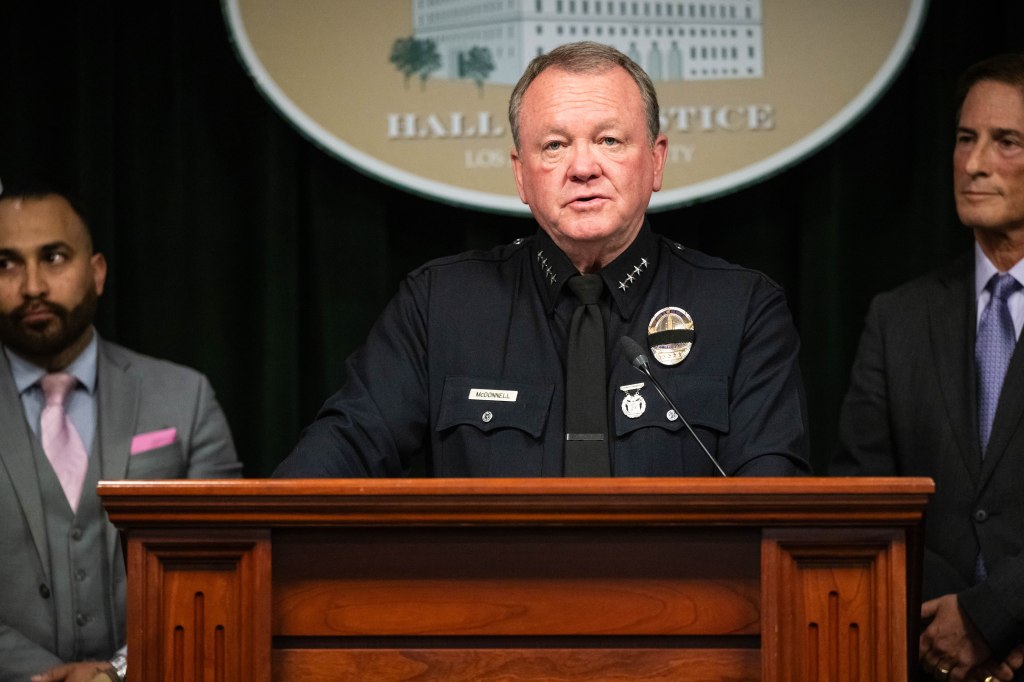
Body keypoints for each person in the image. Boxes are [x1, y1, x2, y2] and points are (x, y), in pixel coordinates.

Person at [275, 41, 810, 479]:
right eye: (554, 145)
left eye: (609, 140)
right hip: (490, 608)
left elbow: (777, 510)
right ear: (519, 174)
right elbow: (333, 462)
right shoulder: (440, 306)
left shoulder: (742, 310)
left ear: (656, 161)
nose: (583, 167)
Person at [0, 178, 242, 682]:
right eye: (6, 264)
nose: (32, 286)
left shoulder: (184, 396)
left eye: (54, 257)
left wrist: (119, 672)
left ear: (97, 272)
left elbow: (222, 567)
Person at [831, 53, 1024, 682]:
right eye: (966, 139)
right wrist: (946, 626)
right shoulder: (898, 319)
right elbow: (864, 504)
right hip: (924, 654)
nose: (973, 164)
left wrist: (995, 618)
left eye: (1006, 143)